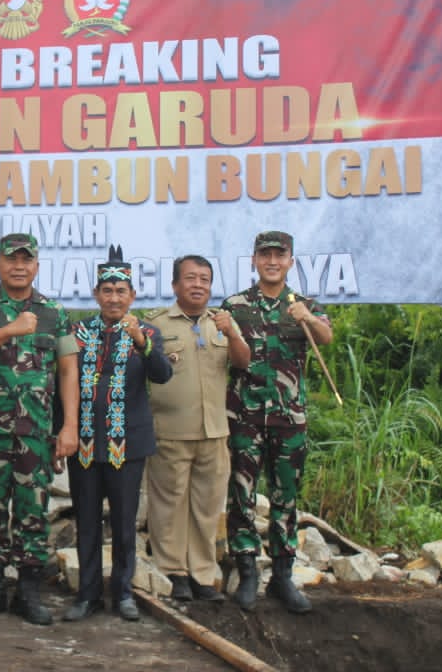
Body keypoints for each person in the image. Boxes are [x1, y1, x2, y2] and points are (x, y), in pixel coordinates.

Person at [0, 233, 79, 626]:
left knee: (32, 510)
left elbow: (67, 370)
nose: (19, 265)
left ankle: (29, 589)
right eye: (11, 259)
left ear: (37, 266)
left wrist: (69, 426)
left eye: (26, 259)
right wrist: (8, 330)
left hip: (36, 431)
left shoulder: (54, 313)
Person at [222, 230, 332, 614]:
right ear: (254, 260)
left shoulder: (304, 305)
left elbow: (327, 338)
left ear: (290, 261)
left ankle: (283, 576)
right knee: (242, 494)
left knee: (286, 496)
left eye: (279, 255)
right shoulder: (235, 306)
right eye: (264, 255)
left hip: (289, 418)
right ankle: (248, 570)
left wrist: (308, 319)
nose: (272, 261)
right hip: (245, 416)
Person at [62, 246, 172, 624]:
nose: (113, 298)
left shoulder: (148, 332)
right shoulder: (77, 333)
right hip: (86, 444)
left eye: (120, 291)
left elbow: (161, 375)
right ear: (96, 295)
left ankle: (123, 592)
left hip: (128, 444)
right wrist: (64, 430)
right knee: (87, 521)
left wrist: (141, 341)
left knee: (124, 523)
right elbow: (62, 382)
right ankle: (87, 594)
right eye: (106, 291)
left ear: (132, 296)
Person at [144, 255, 249, 604]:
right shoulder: (156, 324)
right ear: (175, 285)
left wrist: (231, 332)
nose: (198, 285)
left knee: (206, 508)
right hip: (170, 432)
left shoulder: (221, 324)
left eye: (205, 279)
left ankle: (203, 575)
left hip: (214, 433)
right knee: (168, 507)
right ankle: (174, 573)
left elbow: (243, 361)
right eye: (190, 278)